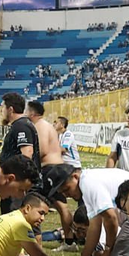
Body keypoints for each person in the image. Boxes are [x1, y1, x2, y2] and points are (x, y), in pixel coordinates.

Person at [42, 165, 129, 256]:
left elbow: (111, 218)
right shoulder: (87, 183)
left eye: (67, 189)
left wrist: (108, 249)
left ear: (75, 177)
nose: (66, 195)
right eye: (62, 192)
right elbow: (95, 224)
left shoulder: (88, 183)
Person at [27, 100, 75, 244]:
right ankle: (69, 241)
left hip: (49, 170)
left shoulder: (40, 126)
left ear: (32, 113)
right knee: (62, 207)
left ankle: (37, 244)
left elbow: (42, 150)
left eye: (26, 111)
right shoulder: (47, 126)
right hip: (57, 168)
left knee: (34, 205)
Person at [0, 93, 39, 214]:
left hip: (17, 184)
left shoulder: (21, 125)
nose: (1, 111)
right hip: (16, 182)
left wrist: (19, 182)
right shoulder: (20, 125)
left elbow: (27, 153)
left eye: (2, 108)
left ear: (10, 109)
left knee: (15, 217)